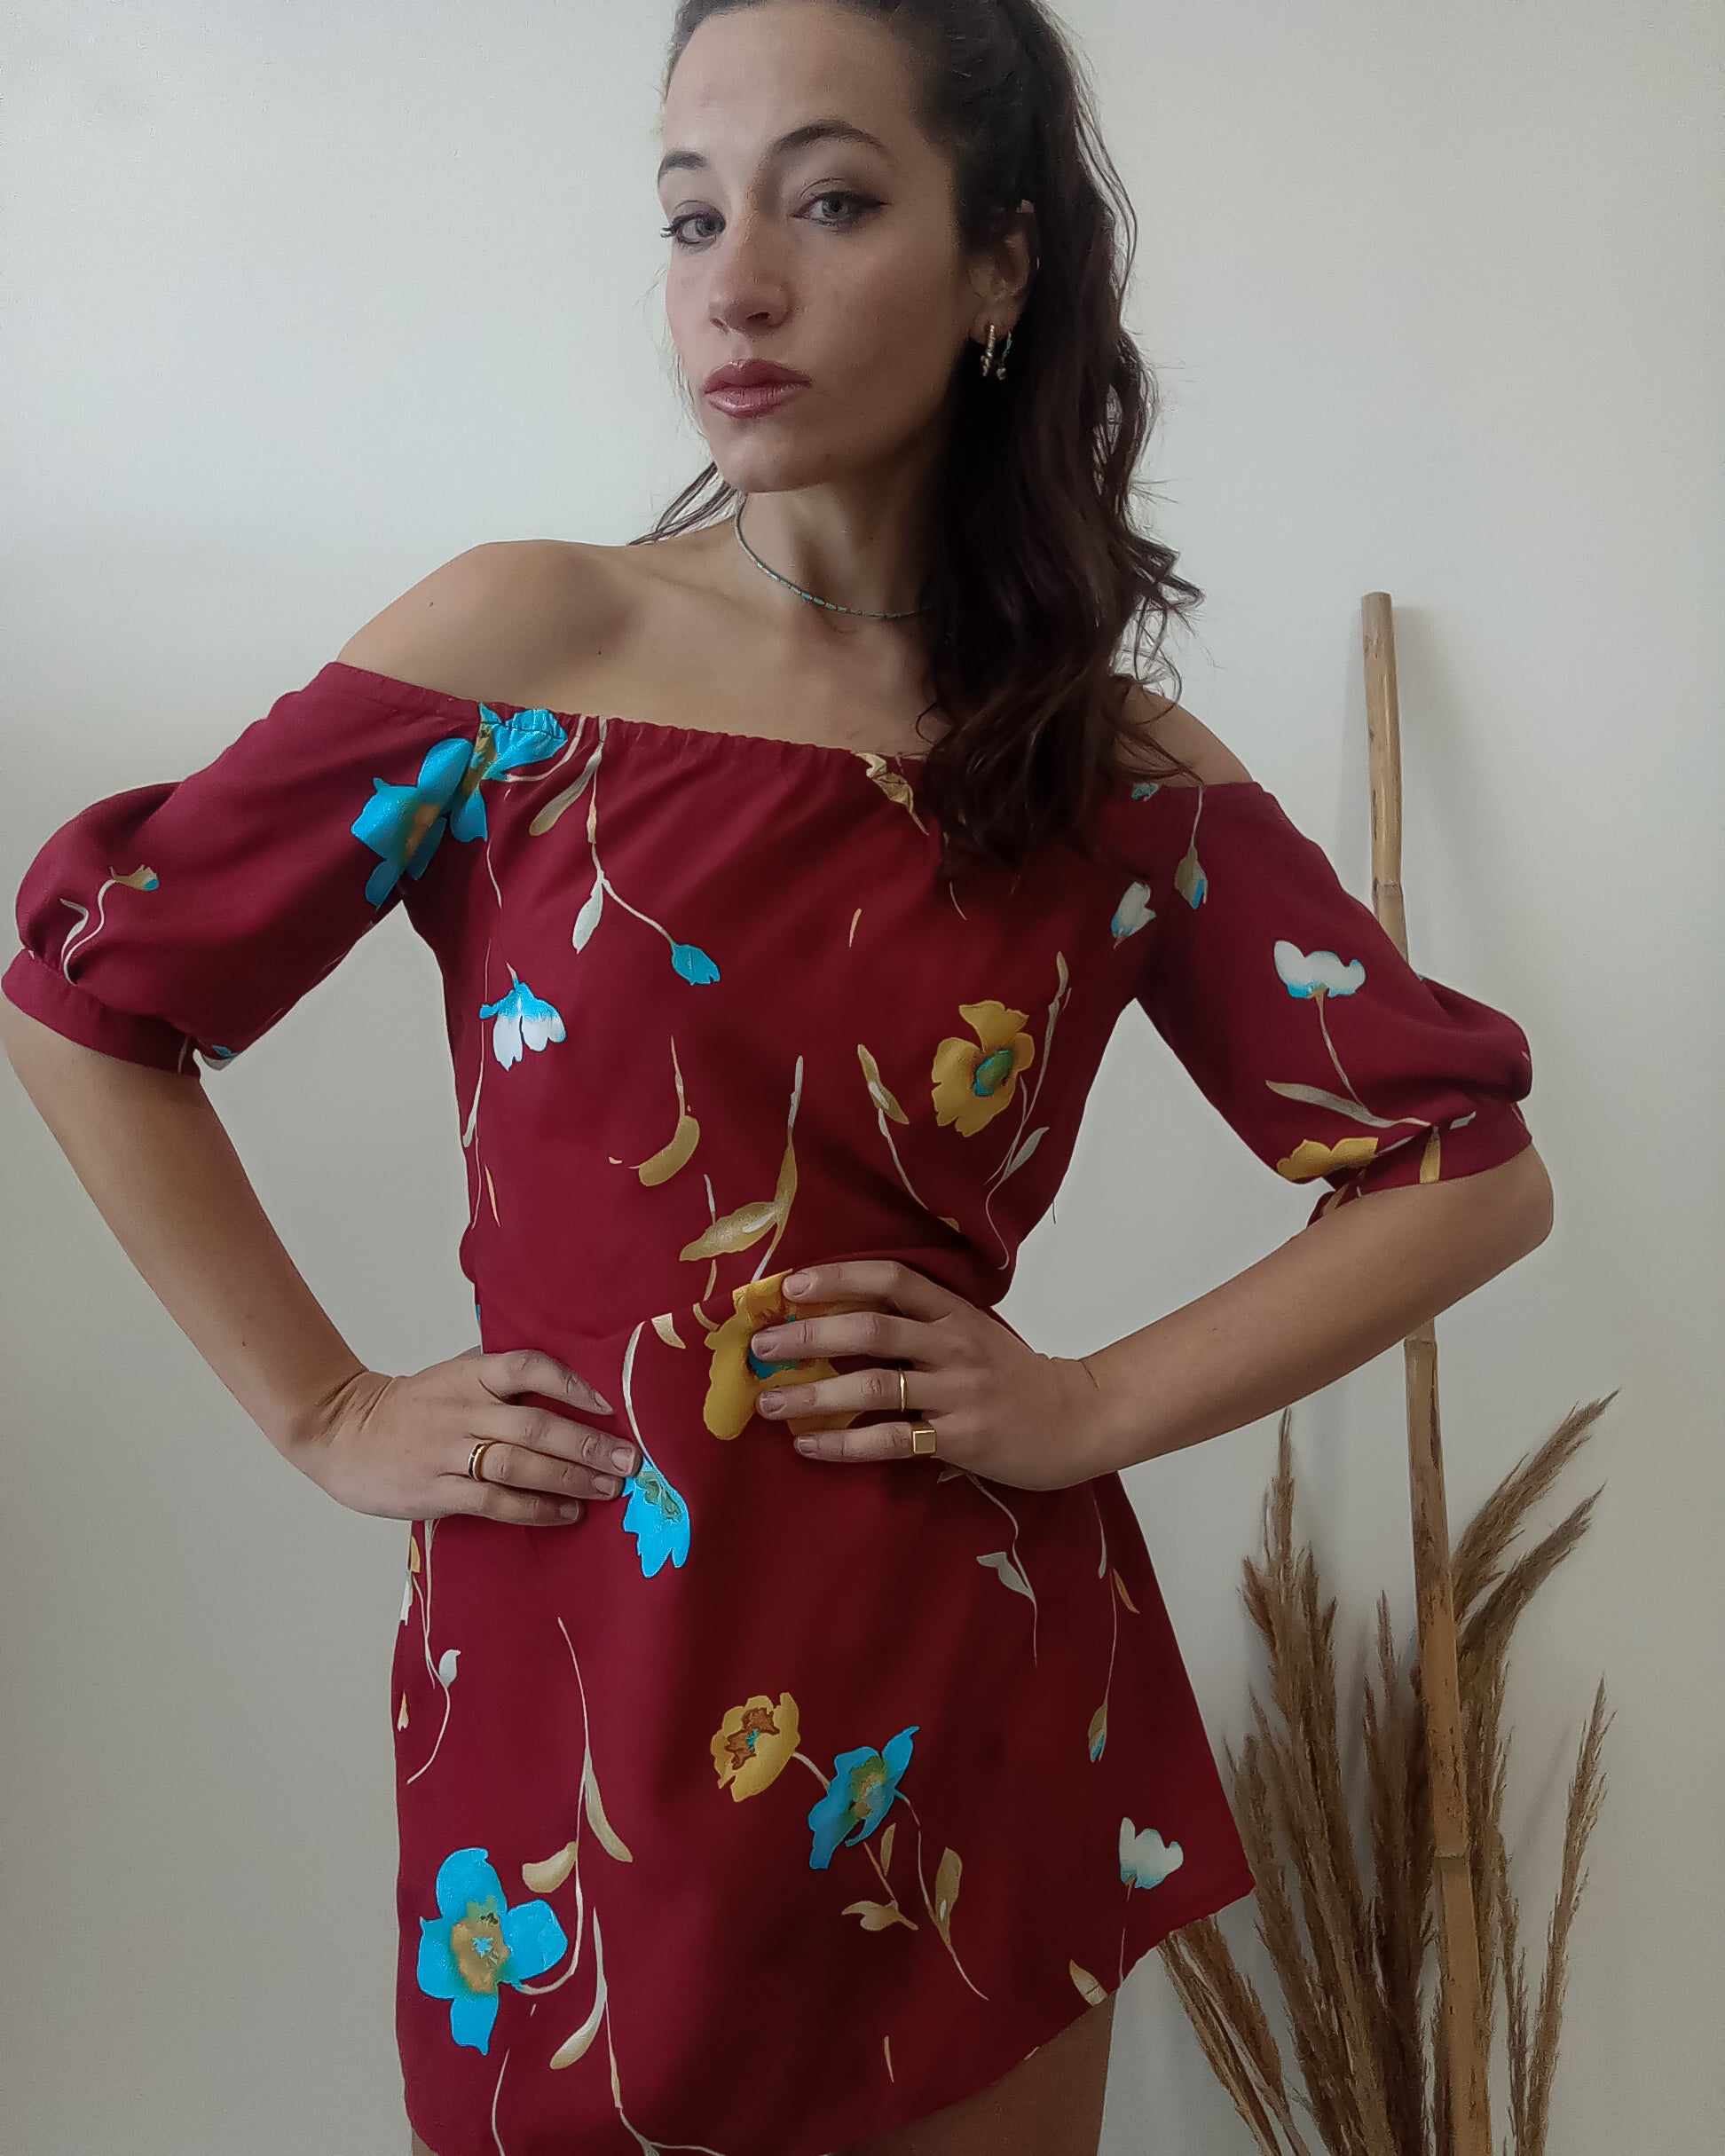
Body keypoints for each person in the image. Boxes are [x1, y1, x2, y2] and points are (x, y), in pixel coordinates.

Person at [0, 3, 1554, 2152]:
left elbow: (1463, 1165)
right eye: (688, 215)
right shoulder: (521, 650)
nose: (733, 285)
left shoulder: (1101, 767)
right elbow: (91, 997)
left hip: (971, 1692)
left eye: (827, 204)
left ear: (1000, 258)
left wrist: (1087, 1403)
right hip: (579, 1683)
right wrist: (327, 1407)